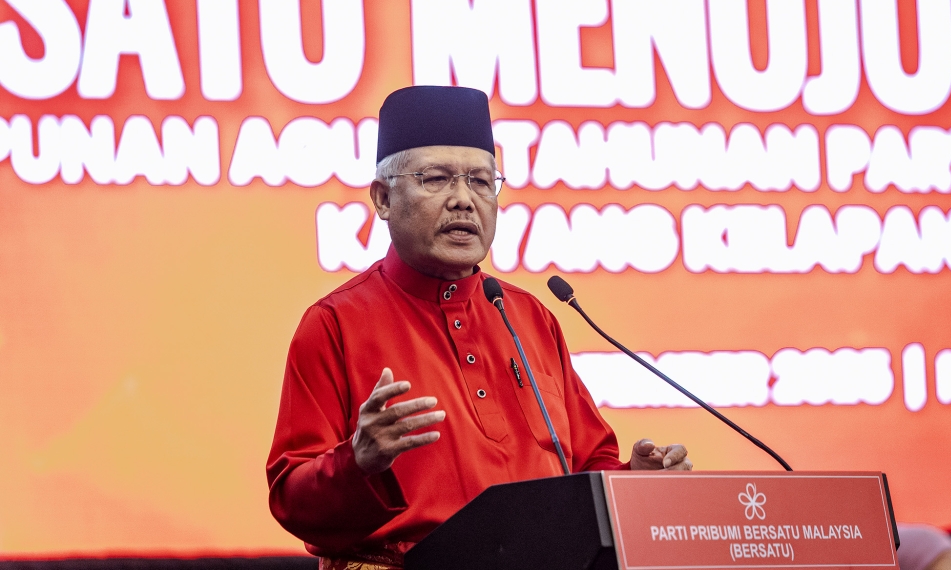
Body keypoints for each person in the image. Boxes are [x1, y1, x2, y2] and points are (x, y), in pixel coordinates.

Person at [266, 86, 692, 570]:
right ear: (383, 199)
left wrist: (636, 480)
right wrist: (358, 462)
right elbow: (290, 499)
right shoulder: (334, 323)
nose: (463, 201)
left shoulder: (529, 316)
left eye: (481, 182)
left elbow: (587, 467)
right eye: (436, 179)